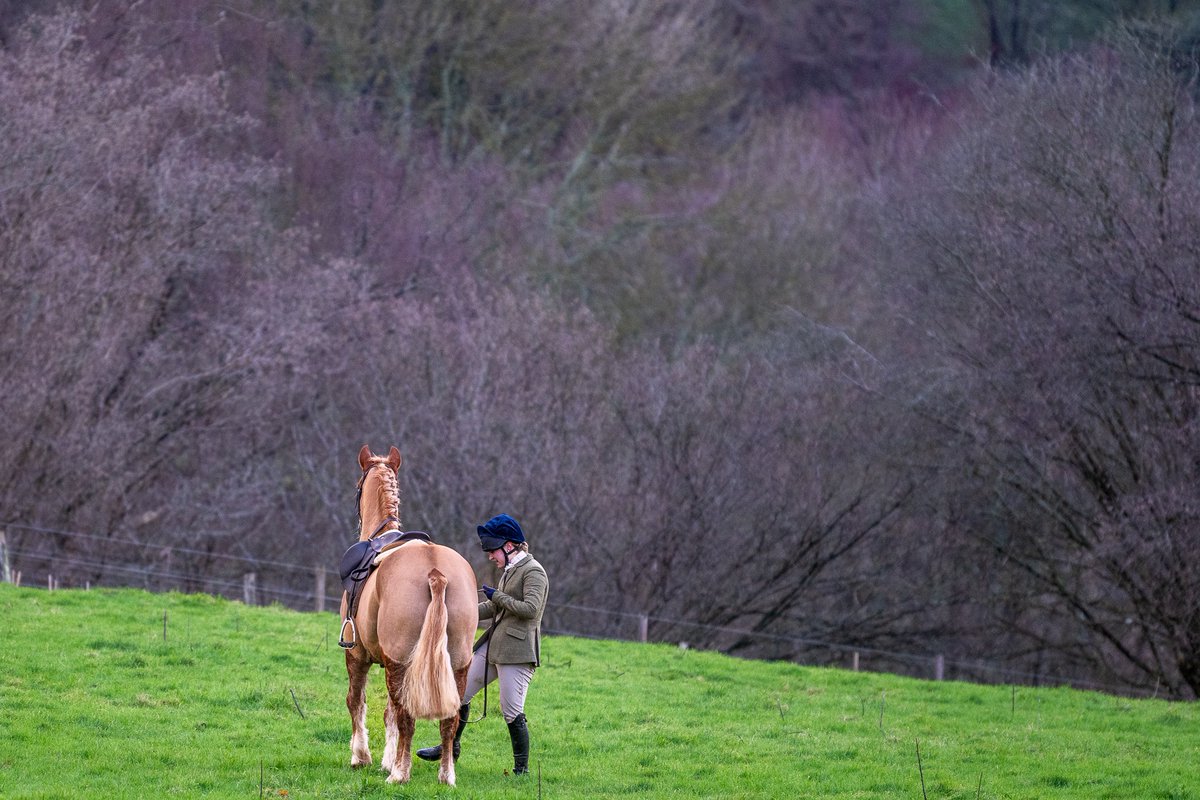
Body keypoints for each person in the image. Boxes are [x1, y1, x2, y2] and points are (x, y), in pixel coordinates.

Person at [416, 513, 549, 775]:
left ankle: (521, 770)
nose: (490, 556)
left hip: (517, 652)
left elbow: (531, 609)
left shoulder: (534, 572)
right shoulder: (510, 570)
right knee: (459, 694)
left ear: (509, 546)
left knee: (511, 710)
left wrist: (497, 595)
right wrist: (453, 612)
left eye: (493, 551)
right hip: (492, 646)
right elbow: (493, 606)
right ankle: (449, 748)